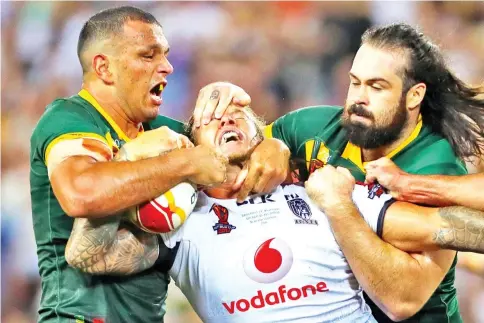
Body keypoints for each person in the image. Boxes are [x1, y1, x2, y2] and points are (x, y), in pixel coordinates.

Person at [64, 105, 484, 323]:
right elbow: (87, 254)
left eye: (239, 115)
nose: (226, 117)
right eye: (210, 120)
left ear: (261, 134)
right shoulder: (182, 223)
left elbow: (440, 227)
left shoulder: (323, 191)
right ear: (191, 146)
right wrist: (128, 163)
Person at [30, 6, 289, 323]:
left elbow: (238, 144)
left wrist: (276, 146)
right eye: (147, 55)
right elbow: (82, 194)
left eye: (165, 55)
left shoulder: (164, 131)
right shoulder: (70, 118)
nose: (166, 67)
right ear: (104, 68)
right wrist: (172, 160)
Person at [264, 23, 484, 322]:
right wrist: (266, 146)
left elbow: (402, 300)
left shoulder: (436, 168)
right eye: (355, 82)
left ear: (414, 95)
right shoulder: (309, 129)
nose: (359, 98)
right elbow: (238, 152)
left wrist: (339, 205)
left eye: (377, 87)